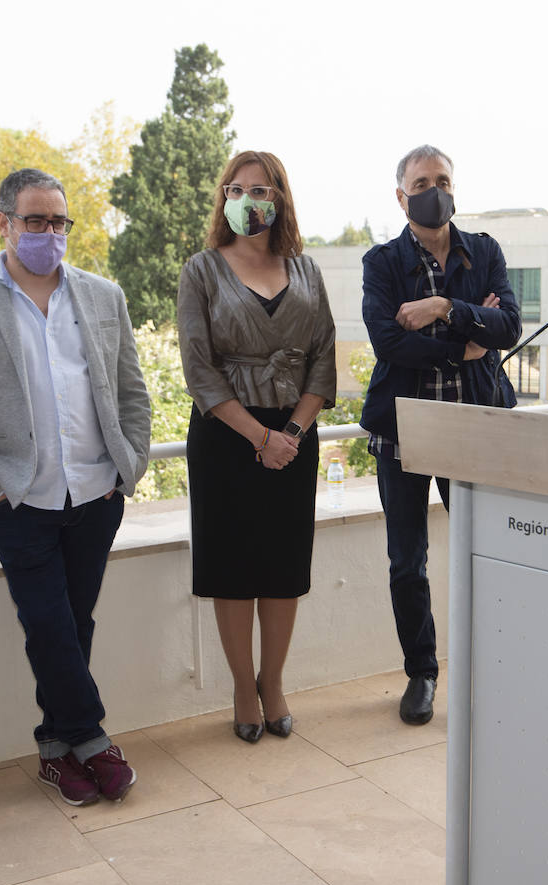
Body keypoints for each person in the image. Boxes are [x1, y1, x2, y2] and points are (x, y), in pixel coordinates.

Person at [0, 168, 151, 807]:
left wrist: (126, 466)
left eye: (59, 222)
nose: (49, 233)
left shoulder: (102, 296)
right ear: (4, 223)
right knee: (48, 623)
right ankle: (94, 738)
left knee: (75, 623)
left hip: (97, 494)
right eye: (35, 220)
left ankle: (56, 749)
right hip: (20, 499)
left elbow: (130, 387)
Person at [177, 150, 336, 743]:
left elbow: (324, 358)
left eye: (263, 190)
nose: (251, 199)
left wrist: (291, 433)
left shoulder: (308, 270)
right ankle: (244, 686)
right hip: (226, 436)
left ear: (281, 200)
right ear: (224, 198)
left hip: (296, 436)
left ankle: (274, 681)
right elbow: (199, 370)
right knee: (234, 568)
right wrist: (259, 436)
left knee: (283, 567)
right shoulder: (200, 270)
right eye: (238, 189)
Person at [360, 145, 521, 725]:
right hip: (402, 432)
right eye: (422, 182)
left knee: (485, 554)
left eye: (443, 179)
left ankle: (491, 668)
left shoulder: (484, 251)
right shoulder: (380, 262)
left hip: (471, 428)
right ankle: (421, 674)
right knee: (408, 563)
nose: (435, 189)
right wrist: (467, 337)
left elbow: (509, 326)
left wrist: (438, 306)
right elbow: (388, 342)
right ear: (402, 196)